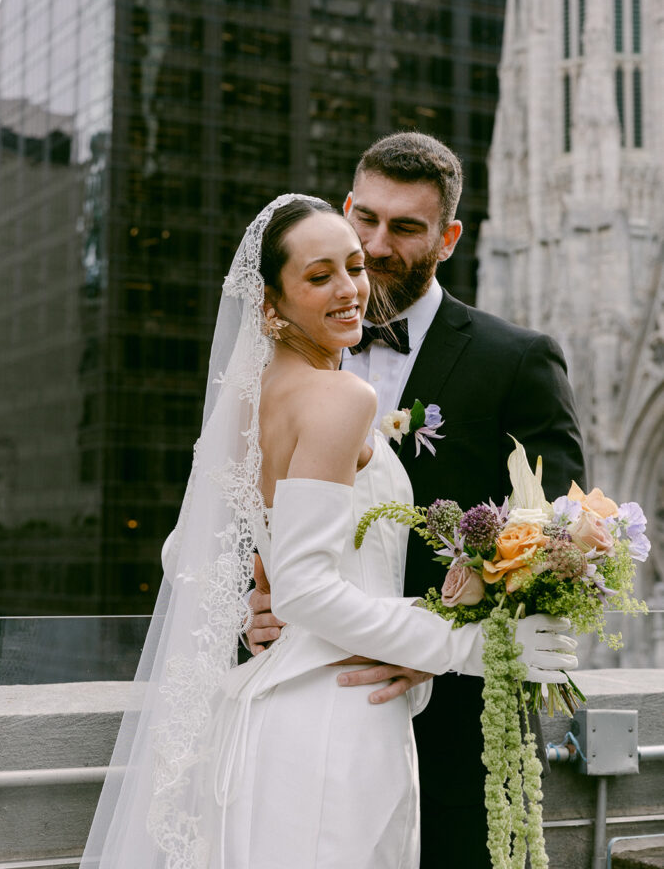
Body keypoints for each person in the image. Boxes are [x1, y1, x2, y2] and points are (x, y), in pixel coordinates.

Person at [80, 193, 577, 869]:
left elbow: (185, 551)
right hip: (338, 725)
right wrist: (477, 646)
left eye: (353, 267)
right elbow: (308, 592)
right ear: (270, 305)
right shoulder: (342, 396)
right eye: (319, 277)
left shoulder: (254, 398)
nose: (350, 290)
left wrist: (251, 605)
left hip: (273, 714)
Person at [248, 135, 587, 869]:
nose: (375, 247)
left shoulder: (517, 360)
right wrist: (252, 587)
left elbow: (559, 540)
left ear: (449, 238)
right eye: (363, 219)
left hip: (463, 732)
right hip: (318, 708)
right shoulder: (286, 366)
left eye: (404, 228)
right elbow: (232, 515)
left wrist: (442, 650)